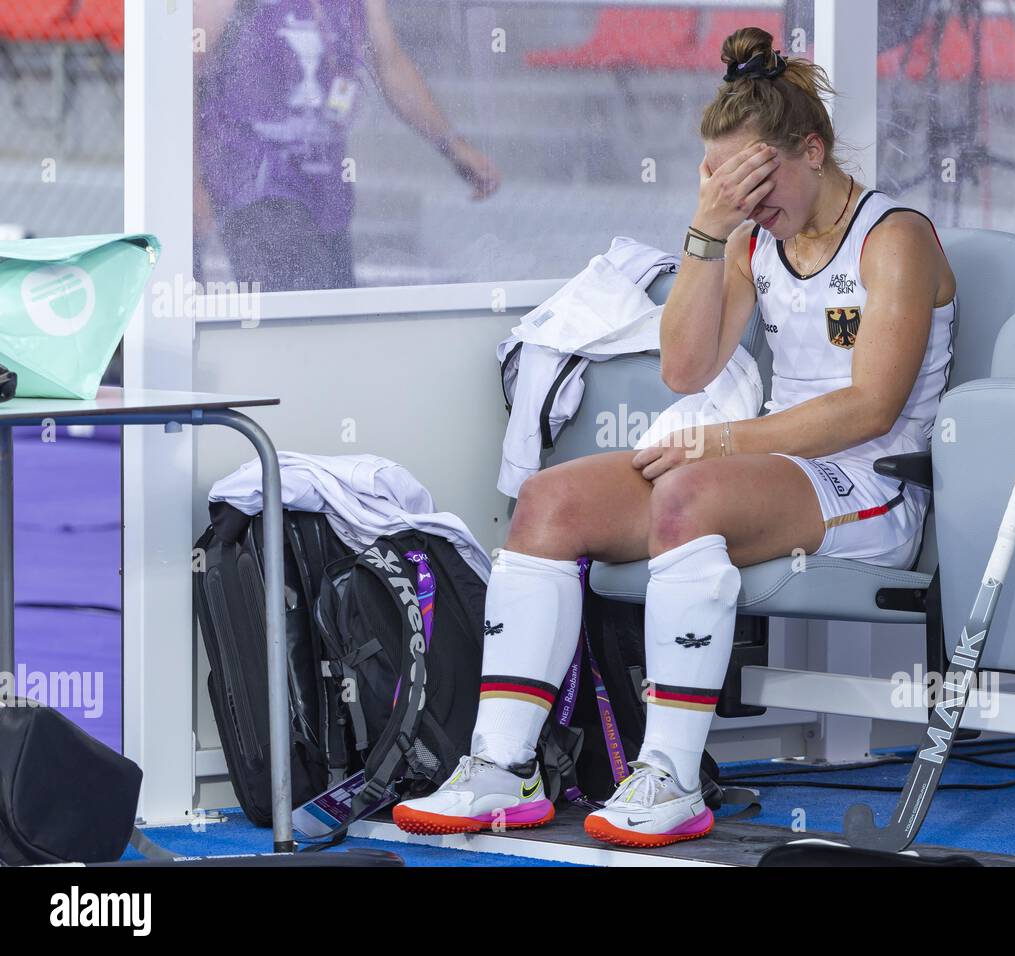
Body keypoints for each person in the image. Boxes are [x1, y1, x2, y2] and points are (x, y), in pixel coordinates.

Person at [393, 27, 957, 848]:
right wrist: (707, 229)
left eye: (760, 179)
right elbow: (686, 369)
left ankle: (670, 777)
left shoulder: (895, 237)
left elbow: (871, 408)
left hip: (871, 485)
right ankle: (502, 766)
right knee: (550, 501)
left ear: (812, 147)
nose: (750, 200)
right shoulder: (753, 238)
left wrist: (720, 445)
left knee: (690, 490)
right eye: (729, 183)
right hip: (769, 466)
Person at [194, 0, 499, 291]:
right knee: (306, 327)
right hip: (255, 184)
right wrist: (192, 185)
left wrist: (453, 146)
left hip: (326, 190)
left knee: (333, 321)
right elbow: (186, 69)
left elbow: (390, 62)